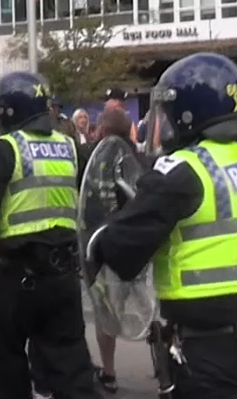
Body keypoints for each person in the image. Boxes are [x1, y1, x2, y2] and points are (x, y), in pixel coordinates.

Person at [87, 52, 237, 398]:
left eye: (168, 112)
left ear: (189, 113)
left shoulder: (184, 170)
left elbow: (123, 250)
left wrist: (104, 233)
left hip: (209, 346)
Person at [0, 72, 99, 399]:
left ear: (7, 113)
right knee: (71, 369)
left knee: (0, 366)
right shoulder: (69, 147)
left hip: (17, 278)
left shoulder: (4, 150)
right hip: (63, 278)